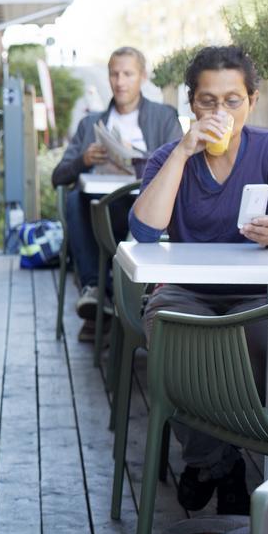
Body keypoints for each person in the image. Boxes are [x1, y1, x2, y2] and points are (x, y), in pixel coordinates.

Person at [130, 45, 268, 515]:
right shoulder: (171, 155)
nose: (220, 112)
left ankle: (227, 461)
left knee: (255, 342)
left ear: (251, 101)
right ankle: (217, 460)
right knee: (175, 341)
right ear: (192, 103)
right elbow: (146, 230)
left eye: (232, 100)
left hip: (260, 296)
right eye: (208, 100)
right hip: (186, 293)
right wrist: (184, 152)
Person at [51, 46, 182, 335]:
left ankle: (103, 308)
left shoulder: (164, 117)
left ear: (142, 77)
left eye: (128, 74)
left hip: (148, 214)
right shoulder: (90, 123)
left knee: (83, 204)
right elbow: (58, 175)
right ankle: (95, 290)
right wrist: (84, 160)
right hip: (100, 213)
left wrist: (138, 159)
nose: (120, 82)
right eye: (114, 74)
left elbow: (181, 163)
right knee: (75, 199)